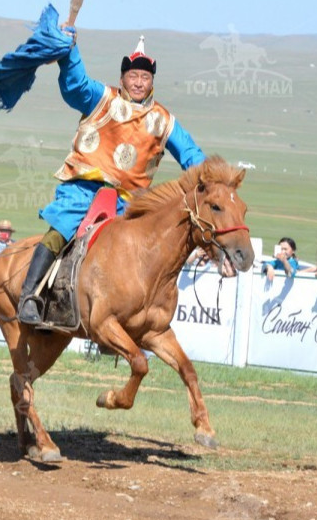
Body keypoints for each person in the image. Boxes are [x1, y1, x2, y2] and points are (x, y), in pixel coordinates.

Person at [15, 33, 205, 323]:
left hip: (129, 202)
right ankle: (30, 295)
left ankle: (133, 312)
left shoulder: (164, 120)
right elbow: (75, 84)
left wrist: (210, 181)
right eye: (133, 76)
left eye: (145, 77)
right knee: (63, 227)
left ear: (152, 82)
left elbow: (190, 154)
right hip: (84, 188)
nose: (139, 82)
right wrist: (69, 51)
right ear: (122, 77)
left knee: (145, 244)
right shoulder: (101, 98)